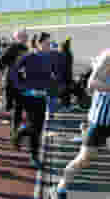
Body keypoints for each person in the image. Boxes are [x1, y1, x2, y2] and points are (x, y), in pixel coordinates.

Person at [50, 50, 110, 199]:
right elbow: (91, 84)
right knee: (84, 159)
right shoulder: (108, 57)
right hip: (101, 120)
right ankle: (60, 189)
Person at [9, 32, 66, 169]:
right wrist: (23, 88)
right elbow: (13, 72)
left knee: (38, 128)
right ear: (39, 44)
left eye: (50, 43)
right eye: (46, 43)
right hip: (29, 97)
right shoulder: (29, 56)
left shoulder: (50, 57)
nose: (49, 45)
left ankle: (25, 138)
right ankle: (26, 143)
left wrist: (54, 89)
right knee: (34, 126)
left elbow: (53, 76)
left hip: (42, 97)